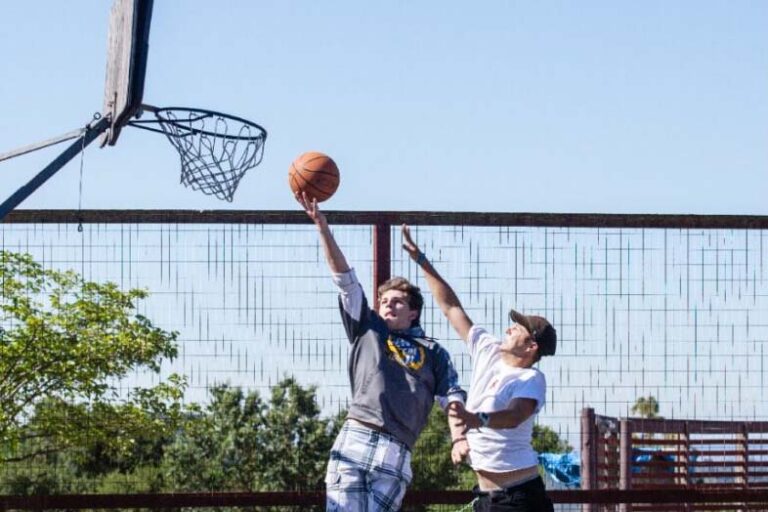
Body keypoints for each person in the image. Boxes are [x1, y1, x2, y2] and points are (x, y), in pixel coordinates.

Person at [296, 193, 467, 512]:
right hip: (357, 435)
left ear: (413, 312)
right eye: (384, 300)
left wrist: (459, 437)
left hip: (396, 448)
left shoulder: (434, 352)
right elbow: (345, 280)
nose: (388, 303)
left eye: (397, 301)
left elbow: (452, 398)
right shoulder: (368, 327)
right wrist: (322, 227)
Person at [402, 224, 557, 512]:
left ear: (531, 346)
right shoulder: (486, 348)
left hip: (519, 498)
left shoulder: (531, 378)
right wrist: (422, 260)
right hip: (487, 497)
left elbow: (515, 415)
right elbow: (451, 308)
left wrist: (478, 419)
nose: (509, 328)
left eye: (519, 328)